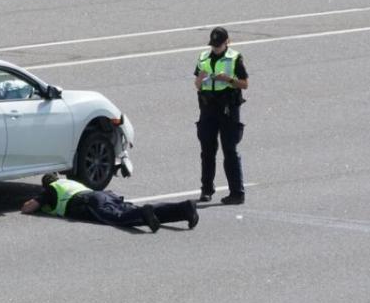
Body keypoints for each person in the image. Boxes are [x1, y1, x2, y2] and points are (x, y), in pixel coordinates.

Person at [21, 173, 198, 232]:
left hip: (89, 202)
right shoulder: (69, 182)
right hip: (102, 195)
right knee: (133, 210)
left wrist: (33, 202)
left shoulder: (50, 189)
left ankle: (144, 213)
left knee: (119, 218)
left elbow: (29, 208)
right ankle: (184, 209)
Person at [194, 26, 249, 205]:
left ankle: (237, 193)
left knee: (230, 151)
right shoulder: (203, 57)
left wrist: (228, 80)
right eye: (214, 45)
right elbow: (197, 84)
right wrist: (200, 80)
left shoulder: (234, 58)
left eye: (219, 45)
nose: (215, 48)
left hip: (228, 109)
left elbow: (244, 84)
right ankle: (206, 190)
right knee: (207, 151)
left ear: (227, 42)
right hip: (208, 109)